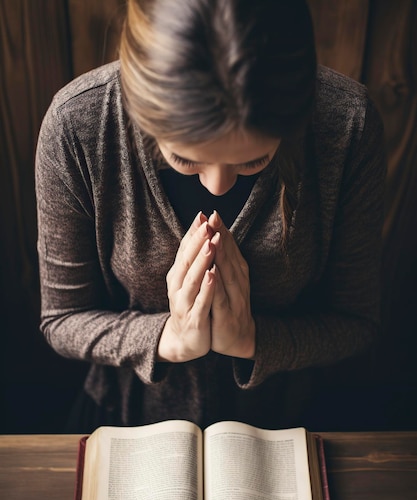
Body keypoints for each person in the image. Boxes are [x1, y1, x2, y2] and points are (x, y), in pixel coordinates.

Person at [35, 0, 386, 432]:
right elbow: (62, 320)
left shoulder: (348, 123)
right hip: (125, 423)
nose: (218, 188)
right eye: (185, 159)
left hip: (296, 425)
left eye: (255, 160)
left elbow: (356, 321)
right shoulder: (77, 125)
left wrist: (252, 341)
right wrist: (170, 339)